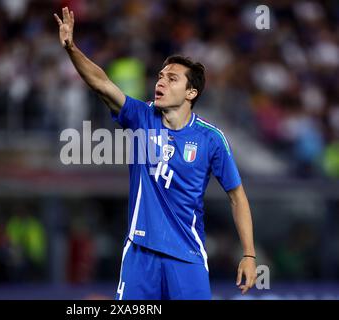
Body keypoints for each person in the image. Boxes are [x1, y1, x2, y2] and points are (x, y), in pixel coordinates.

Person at [54, 7, 257, 300]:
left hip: (187, 256)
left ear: (191, 93)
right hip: (140, 253)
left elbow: (237, 196)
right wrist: (72, 49)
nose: (160, 82)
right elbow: (101, 82)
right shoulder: (141, 117)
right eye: (160, 76)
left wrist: (249, 255)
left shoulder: (211, 139)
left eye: (172, 78)